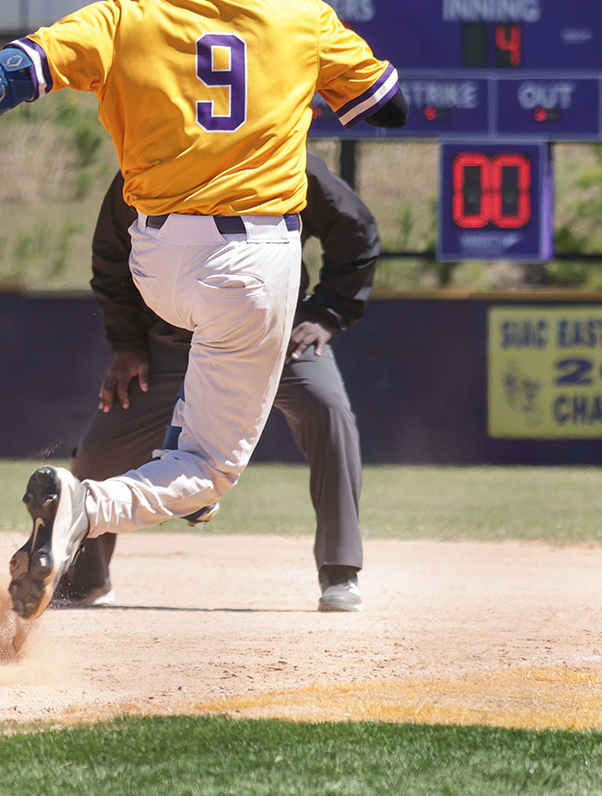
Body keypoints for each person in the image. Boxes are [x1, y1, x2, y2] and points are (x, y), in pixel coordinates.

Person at [0, 0, 407, 620]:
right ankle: (85, 507)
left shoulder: (119, 22)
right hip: (253, 260)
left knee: (199, 351)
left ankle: (144, 459)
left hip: (155, 260)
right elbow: (387, 105)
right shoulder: (300, 16)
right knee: (209, 472)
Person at [58, 151, 378, 613]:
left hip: (267, 332)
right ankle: (87, 577)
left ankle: (340, 571)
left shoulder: (278, 154)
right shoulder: (149, 157)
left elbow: (357, 228)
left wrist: (326, 312)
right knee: (99, 451)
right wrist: (127, 345)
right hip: (169, 340)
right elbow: (111, 254)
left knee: (327, 410)